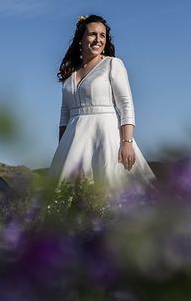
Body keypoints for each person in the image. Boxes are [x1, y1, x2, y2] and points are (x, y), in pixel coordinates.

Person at [49, 14, 155, 190]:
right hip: (73, 142)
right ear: (80, 39)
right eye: (92, 34)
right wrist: (62, 149)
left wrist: (127, 143)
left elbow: (126, 104)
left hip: (106, 138)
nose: (98, 39)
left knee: (111, 188)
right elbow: (64, 115)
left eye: (102, 35)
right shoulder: (70, 75)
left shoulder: (113, 64)